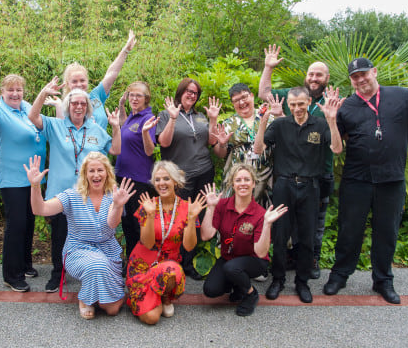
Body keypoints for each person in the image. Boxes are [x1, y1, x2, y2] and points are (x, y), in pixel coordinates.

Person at [323, 58, 408, 304]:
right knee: (349, 230)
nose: (360, 80)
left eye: (364, 74)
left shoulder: (401, 96)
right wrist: (332, 120)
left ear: (374, 72)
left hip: (391, 178)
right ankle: (339, 275)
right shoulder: (346, 106)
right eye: (355, 77)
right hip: (356, 180)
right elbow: (336, 148)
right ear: (351, 80)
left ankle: (383, 280)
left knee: (386, 232)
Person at [28, 79, 121, 293]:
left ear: (87, 107)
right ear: (67, 106)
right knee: (59, 235)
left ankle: (93, 269)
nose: (78, 107)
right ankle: (58, 272)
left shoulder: (96, 129)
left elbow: (115, 149)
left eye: (82, 103)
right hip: (61, 193)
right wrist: (43, 93)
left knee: (92, 233)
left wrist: (116, 128)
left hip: (91, 195)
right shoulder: (55, 125)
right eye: (74, 103)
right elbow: (32, 117)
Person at [254, 86, 343, 303]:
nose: (297, 108)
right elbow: (258, 149)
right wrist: (264, 123)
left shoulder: (320, 124)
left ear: (309, 102)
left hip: (310, 187)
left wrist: (332, 120)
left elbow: (337, 149)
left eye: (301, 104)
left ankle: (302, 282)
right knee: (281, 234)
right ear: (288, 105)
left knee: (306, 237)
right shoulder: (281, 124)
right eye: (292, 105)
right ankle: (278, 279)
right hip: (284, 186)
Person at [24, 153, 135, 319]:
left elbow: (112, 224)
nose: (96, 175)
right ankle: (85, 299)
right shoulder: (72, 195)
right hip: (78, 250)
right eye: (91, 171)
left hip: (108, 252)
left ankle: (97, 291)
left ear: (107, 173)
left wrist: (118, 205)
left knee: (112, 309)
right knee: (97, 265)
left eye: (100, 170)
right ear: (84, 174)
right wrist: (35, 186)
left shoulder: (114, 195)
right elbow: (40, 210)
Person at [258, 44, 334, 279]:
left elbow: (339, 143)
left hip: (321, 173)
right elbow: (264, 94)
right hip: (289, 174)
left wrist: (332, 117)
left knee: (314, 224)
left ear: (326, 78)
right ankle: (288, 261)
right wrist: (268, 67)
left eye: (319, 74)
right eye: (311, 73)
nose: (314, 78)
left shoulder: (332, 101)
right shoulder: (295, 94)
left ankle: (311, 260)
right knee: (285, 223)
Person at [0, 57, 47, 292]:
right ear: (2, 92)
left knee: (29, 220)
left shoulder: (26, 107)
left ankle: (25, 263)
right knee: (16, 223)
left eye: (19, 89)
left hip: (33, 177)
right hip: (12, 176)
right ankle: (11, 274)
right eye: (10, 90)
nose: (15, 94)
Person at [201, 164, 288, 316]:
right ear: (232, 184)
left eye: (247, 180)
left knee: (231, 268)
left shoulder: (260, 213)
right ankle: (238, 285)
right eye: (238, 180)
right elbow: (206, 235)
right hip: (229, 257)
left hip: (254, 260)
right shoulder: (221, 205)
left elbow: (261, 253)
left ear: (254, 183)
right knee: (211, 290)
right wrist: (210, 208)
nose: (243, 183)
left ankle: (250, 293)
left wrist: (267, 224)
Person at [126, 161, 206, 325]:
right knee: (151, 318)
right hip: (142, 265)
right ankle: (142, 294)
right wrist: (149, 215)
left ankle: (164, 297)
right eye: (157, 179)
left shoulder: (186, 208)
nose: (161, 183)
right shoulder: (148, 205)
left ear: (175, 182)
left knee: (173, 270)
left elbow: (189, 246)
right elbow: (147, 244)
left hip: (168, 267)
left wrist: (191, 219)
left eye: (166, 179)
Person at [155, 78, 220, 280]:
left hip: (204, 172)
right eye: (188, 91)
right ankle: (175, 260)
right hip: (180, 176)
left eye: (195, 93)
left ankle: (191, 260)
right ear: (180, 92)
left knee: (198, 218)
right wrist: (173, 118)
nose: (192, 95)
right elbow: (163, 143)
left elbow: (212, 141)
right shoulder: (166, 114)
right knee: (180, 218)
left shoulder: (200, 116)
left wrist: (213, 120)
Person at [51, 30, 137, 127]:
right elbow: (61, 133)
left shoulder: (96, 95)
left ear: (87, 81)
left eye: (82, 80)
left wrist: (125, 50)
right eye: (74, 81)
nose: (79, 84)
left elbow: (112, 73)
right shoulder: (65, 106)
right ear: (67, 84)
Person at [212, 83, 275, 209]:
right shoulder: (228, 124)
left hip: (265, 176)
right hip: (238, 177)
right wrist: (222, 144)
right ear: (232, 104)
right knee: (234, 212)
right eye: (236, 100)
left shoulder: (268, 117)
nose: (241, 103)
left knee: (263, 213)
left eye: (244, 97)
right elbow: (220, 154)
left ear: (252, 96)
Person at [115, 82, 158, 261]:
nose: (134, 98)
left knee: (138, 224)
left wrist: (146, 134)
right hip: (122, 178)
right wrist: (121, 106)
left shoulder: (148, 118)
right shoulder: (133, 116)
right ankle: (132, 260)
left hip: (139, 180)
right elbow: (124, 126)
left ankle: (143, 261)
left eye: (138, 95)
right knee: (127, 224)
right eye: (131, 95)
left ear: (146, 98)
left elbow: (149, 151)